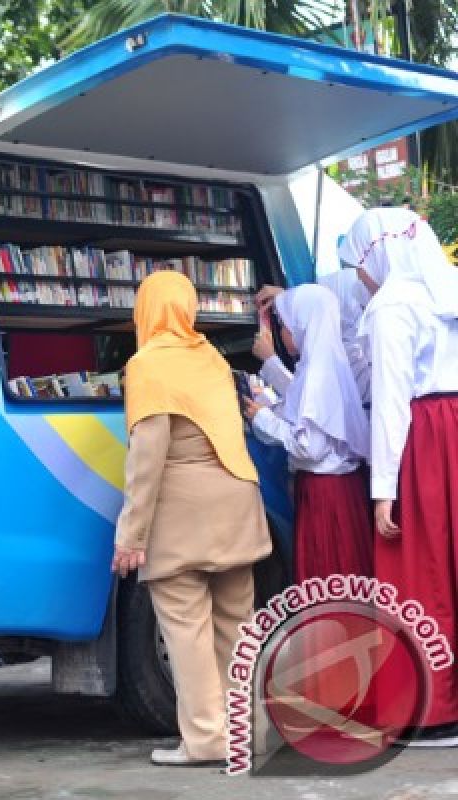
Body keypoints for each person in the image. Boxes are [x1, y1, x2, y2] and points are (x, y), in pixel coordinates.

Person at [111, 271, 271, 767]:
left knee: (186, 631)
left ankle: (205, 740)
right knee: (237, 626)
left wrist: (130, 535)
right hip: (237, 507)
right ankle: (248, 733)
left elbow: (147, 458)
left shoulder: (148, 366)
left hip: (183, 517)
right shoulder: (213, 359)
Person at [341, 207, 458, 746]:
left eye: (359, 265)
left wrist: (382, 492)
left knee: (420, 570)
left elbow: (390, 404)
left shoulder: (392, 305)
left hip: (428, 437)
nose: (361, 279)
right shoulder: (449, 287)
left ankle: (434, 710)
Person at [246, 285, 373, 581]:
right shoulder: (327, 364)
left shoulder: (317, 373)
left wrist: (263, 418)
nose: (283, 333)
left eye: (286, 325)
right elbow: (310, 414)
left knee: (328, 578)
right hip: (342, 491)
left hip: (324, 494)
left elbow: (309, 446)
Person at [255, 266, 372, 404]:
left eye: (284, 323)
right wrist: (288, 301)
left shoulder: (352, 361)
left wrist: (271, 362)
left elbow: (310, 408)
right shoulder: (328, 356)